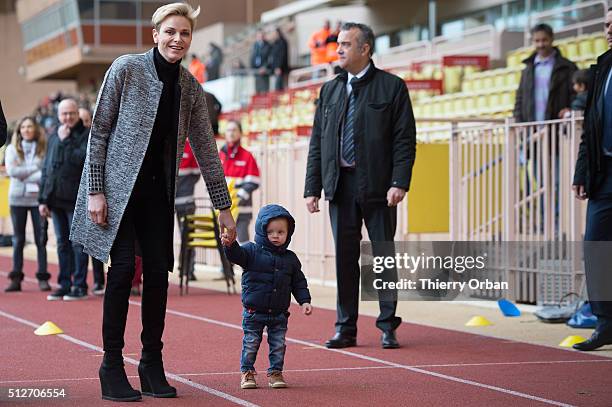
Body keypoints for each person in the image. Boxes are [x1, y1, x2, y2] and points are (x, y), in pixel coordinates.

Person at [69, 2, 236, 401]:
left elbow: (206, 147)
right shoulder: (126, 69)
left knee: (160, 276)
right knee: (123, 269)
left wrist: (222, 204)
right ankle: (111, 366)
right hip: (117, 193)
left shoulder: (190, 87)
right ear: (155, 34)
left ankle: (151, 364)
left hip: (159, 196)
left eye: (185, 33)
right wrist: (95, 190)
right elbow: (100, 131)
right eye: (171, 32)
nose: (178, 39)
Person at [304, 22, 416, 349]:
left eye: (345, 44)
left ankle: (387, 326)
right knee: (345, 259)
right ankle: (345, 327)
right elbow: (318, 143)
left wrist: (399, 181)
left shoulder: (392, 87)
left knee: (381, 257)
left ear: (364, 49)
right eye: (338, 44)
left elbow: (404, 140)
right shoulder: (330, 90)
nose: (337, 50)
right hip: (340, 186)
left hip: (380, 187)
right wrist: (313, 187)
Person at [222, 204, 312, 389]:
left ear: (288, 233)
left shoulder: (291, 259)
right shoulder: (251, 252)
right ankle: (247, 372)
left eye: (281, 232)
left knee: (278, 345)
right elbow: (236, 255)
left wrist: (305, 301)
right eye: (270, 231)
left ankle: (275, 372)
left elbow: (299, 282)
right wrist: (230, 244)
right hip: (254, 311)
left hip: (279, 313)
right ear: (262, 232)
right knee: (251, 343)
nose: (276, 236)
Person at [572, 7, 612, 352]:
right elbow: (591, 128)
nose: (609, 30)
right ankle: (605, 324)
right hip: (604, 174)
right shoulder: (602, 68)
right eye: (606, 24)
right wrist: (581, 171)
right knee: (596, 247)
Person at [40, 98, 89, 301]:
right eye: (64, 114)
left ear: (77, 113)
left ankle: (79, 285)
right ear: (58, 116)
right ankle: (64, 284)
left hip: (76, 199)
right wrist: (42, 199)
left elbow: (81, 159)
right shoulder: (53, 137)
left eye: (71, 113)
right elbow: (47, 168)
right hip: (56, 199)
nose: (67, 117)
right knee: (61, 244)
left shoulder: (86, 134)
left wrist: (66, 140)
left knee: (78, 244)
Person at [4, 117, 49, 292]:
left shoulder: (43, 149)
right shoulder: (11, 149)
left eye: (30, 126)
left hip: (38, 199)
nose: (27, 129)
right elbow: (12, 171)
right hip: (17, 199)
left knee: (40, 239)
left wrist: (25, 173)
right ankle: (16, 279)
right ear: (19, 130)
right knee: (18, 239)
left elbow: (44, 173)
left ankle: (43, 277)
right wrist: (34, 169)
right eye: (23, 126)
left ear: (35, 129)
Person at [513, 23, 577, 123]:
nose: (541, 45)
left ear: (552, 39)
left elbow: (576, 95)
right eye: (537, 41)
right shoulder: (527, 70)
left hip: (557, 129)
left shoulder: (568, 67)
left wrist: (571, 110)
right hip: (531, 130)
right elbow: (519, 99)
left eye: (544, 40)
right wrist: (518, 121)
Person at [219, 120, 260, 243]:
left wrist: (237, 198)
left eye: (234, 130)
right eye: (228, 130)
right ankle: (227, 263)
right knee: (225, 241)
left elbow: (253, 181)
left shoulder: (247, 156)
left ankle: (244, 263)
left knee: (243, 242)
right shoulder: (220, 155)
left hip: (242, 209)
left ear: (240, 133)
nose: (231, 133)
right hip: (223, 209)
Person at [79, 106, 105, 295]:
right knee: (76, 244)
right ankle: (79, 282)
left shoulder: (93, 139)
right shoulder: (60, 137)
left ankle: (98, 281)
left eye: (86, 120)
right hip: (73, 195)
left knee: (95, 241)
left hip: (94, 194)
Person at [251, 30, 271, 94]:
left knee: (264, 90)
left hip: (264, 71)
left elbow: (269, 58)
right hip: (256, 71)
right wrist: (253, 68)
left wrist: (264, 67)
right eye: (258, 36)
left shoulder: (267, 45)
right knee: (258, 90)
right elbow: (252, 58)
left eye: (261, 36)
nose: (260, 38)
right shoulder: (255, 46)